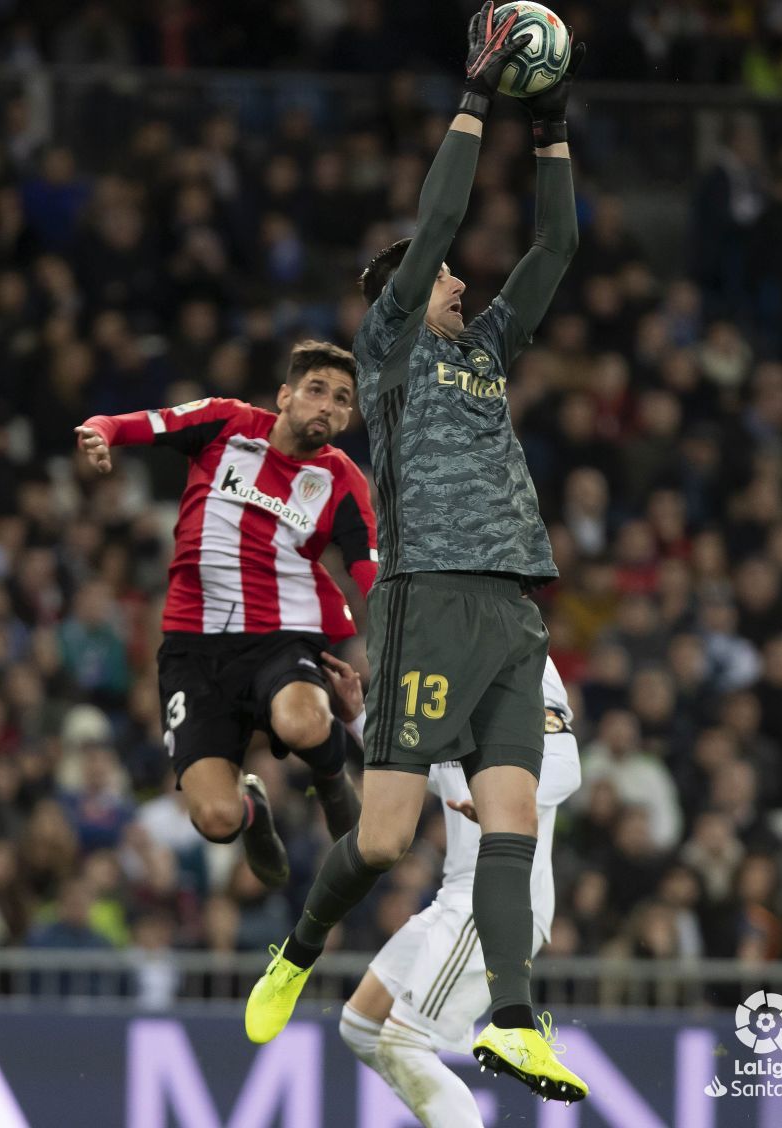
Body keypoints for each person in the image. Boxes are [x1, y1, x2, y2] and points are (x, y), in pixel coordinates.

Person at [245, 3, 588, 1104]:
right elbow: (439, 220)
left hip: (511, 606)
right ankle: (298, 949)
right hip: (426, 596)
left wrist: (553, 126)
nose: (454, 279)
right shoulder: (388, 349)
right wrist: (478, 96)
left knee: (513, 818)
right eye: (435, 273)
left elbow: (557, 246)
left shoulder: (486, 349)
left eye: (445, 275)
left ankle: (516, 1023)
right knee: (387, 836)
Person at [74, 340, 377, 888]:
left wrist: (405, 623)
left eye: (341, 399)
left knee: (303, 721)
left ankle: (332, 777)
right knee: (216, 820)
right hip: (194, 649)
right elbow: (144, 423)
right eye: (316, 390)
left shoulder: (342, 478)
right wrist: (101, 431)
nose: (328, 405)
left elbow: (368, 570)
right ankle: (252, 811)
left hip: (282, 636)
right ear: (284, 396)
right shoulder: (226, 423)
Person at [331, 653, 582, 1128]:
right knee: (362, 1027)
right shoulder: (433, 665)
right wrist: (357, 717)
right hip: (455, 896)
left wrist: (503, 807)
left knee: (404, 1043)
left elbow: (566, 768)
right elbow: (424, 766)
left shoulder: (522, 655)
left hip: (496, 901)